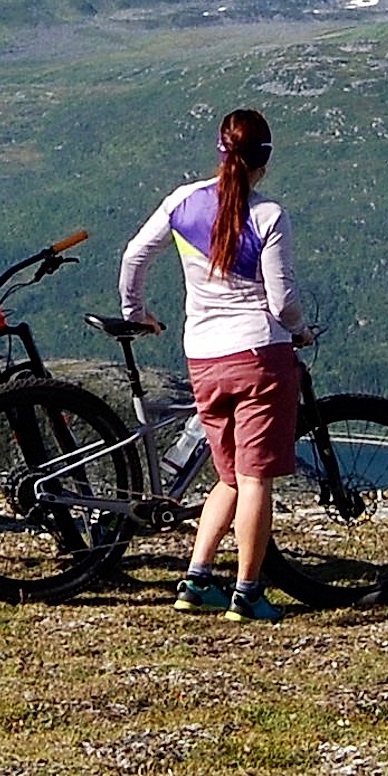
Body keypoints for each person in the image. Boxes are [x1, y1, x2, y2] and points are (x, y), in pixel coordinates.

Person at [116, 106, 316, 622]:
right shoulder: (268, 215)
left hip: (203, 356)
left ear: (220, 151)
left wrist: (135, 313)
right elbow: (281, 299)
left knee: (227, 476)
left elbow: (135, 256)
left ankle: (196, 579)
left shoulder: (184, 202)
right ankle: (247, 593)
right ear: (263, 161)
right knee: (254, 481)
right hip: (258, 355)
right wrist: (299, 330)